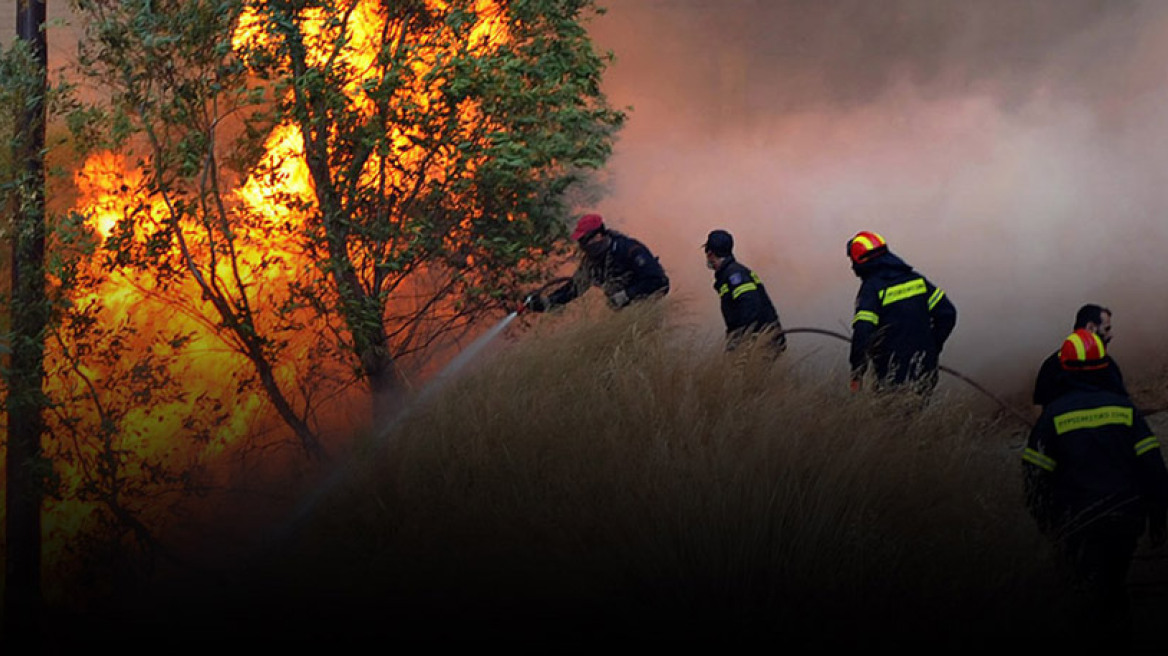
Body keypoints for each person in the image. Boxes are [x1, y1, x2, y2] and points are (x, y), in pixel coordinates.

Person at [1022, 328, 1168, 651]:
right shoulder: (1125, 411)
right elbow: (1154, 467)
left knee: (1082, 589)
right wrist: (1158, 516)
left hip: (1076, 521)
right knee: (1113, 585)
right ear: (1104, 365)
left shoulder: (1053, 417)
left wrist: (1047, 522)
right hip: (1125, 519)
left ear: (1066, 368)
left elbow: (1033, 476)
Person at [846, 230, 957, 394]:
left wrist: (857, 372)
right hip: (925, 370)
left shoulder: (872, 289)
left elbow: (863, 331)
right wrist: (932, 347)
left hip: (892, 372)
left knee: (891, 417)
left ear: (860, 260)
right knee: (919, 416)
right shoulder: (916, 280)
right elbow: (948, 314)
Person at [524, 213, 669, 312]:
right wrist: (545, 303)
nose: (582, 245)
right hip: (624, 314)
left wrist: (627, 294)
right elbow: (574, 288)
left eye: (584, 240)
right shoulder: (592, 262)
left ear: (598, 236)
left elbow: (660, 281)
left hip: (648, 311)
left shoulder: (629, 250)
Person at [701, 229, 786, 356]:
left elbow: (750, 305)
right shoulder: (731, 273)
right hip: (760, 340)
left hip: (762, 343)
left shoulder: (735, 275)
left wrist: (740, 339)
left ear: (710, 253)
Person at [1032, 304, 1126, 410]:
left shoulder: (1051, 365)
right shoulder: (1108, 364)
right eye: (1106, 329)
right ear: (1090, 327)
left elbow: (1039, 411)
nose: (1110, 335)